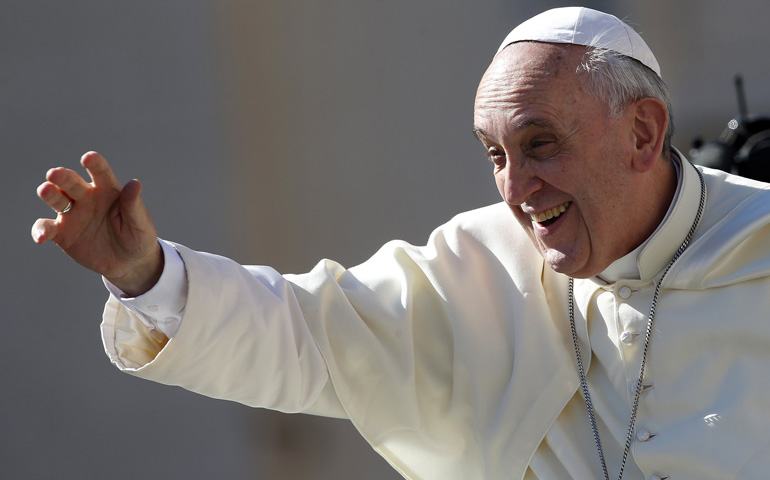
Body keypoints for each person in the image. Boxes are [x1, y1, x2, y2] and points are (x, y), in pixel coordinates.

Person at [31, 7, 770, 480]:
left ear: (642, 132)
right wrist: (146, 274)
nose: (516, 189)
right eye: (495, 155)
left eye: (541, 144)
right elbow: (303, 333)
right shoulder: (479, 271)